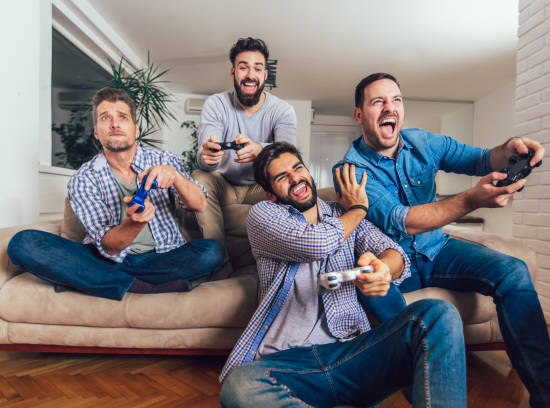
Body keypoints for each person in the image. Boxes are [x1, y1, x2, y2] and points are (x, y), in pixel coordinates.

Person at [334, 73, 550, 407]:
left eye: (396, 100)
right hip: (395, 263)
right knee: (379, 301)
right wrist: (472, 199)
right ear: (359, 115)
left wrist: (511, 150)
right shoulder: (349, 169)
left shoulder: (425, 142)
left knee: (515, 271)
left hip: (439, 249)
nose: (390, 107)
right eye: (378, 102)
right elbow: (402, 220)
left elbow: (481, 159)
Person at [219, 142, 467, 408]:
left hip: (350, 355)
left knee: (439, 314)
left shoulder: (341, 215)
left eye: (298, 168)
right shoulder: (264, 215)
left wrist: (384, 267)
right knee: (239, 387)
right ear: (270, 193)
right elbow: (317, 243)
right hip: (286, 362)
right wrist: (358, 209)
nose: (295, 178)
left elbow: (394, 252)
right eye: (282, 177)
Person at [7, 88, 224, 300]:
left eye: (122, 117)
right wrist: (135, 223)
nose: (114, 124)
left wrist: (175, 176)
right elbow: (109, 246)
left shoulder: (164, 160)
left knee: (211, 252)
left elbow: (199, 204)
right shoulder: (84, 178)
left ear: (136, 129)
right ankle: (142, 287)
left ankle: (96, 282)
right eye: (105, 118)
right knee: (22, 243)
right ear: (96, 131)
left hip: (162, 258)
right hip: (104, 260)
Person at [193, 37, 297, 261]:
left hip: (262, 187)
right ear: (233, 73)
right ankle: (216, 260)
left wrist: (261, 150)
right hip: (224, 184)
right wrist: (208, 157)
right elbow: (203, 158)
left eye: (257, 68)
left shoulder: (283, 111)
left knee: (291, 179)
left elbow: (289, 157)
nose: (250, 74)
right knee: (200, 176)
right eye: (243, 67)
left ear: (265, 75)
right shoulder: (216, 104)